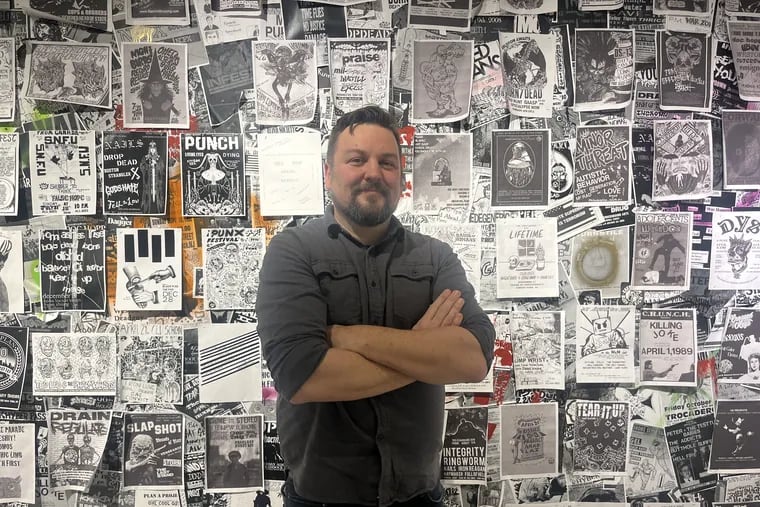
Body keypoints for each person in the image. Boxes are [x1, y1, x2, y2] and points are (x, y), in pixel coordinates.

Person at [256, 106, 495, 507]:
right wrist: (422, 351)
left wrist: (351, 338)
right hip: (320, 499)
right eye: (356, 160)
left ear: (401, 179)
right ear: (329, 175)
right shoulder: (292, 251)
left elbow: (473, 358)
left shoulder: (436, 257)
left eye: (387, 162)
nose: (373, 172)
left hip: (420, 496)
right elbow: (302, 377)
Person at [138, 52, 176, 124]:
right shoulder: (143, 98)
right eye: (153, 84)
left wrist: (169, 106)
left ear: (162, 86)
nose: (156, 86)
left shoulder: (168, 98)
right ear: (149, 85)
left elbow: (177, 114)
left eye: (158, 84)